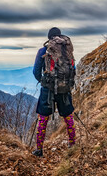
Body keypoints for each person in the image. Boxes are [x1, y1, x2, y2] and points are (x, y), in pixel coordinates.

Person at [32, 27, 76, 157]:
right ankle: (72, 144)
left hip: (48, 89)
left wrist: (43, 81)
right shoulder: (67, 49)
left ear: (49, 37)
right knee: (68, 117)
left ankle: (39, 149)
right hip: (64, 89)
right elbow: (72, 68)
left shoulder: (43, 50)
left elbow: (36, 71)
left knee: (43, 119)